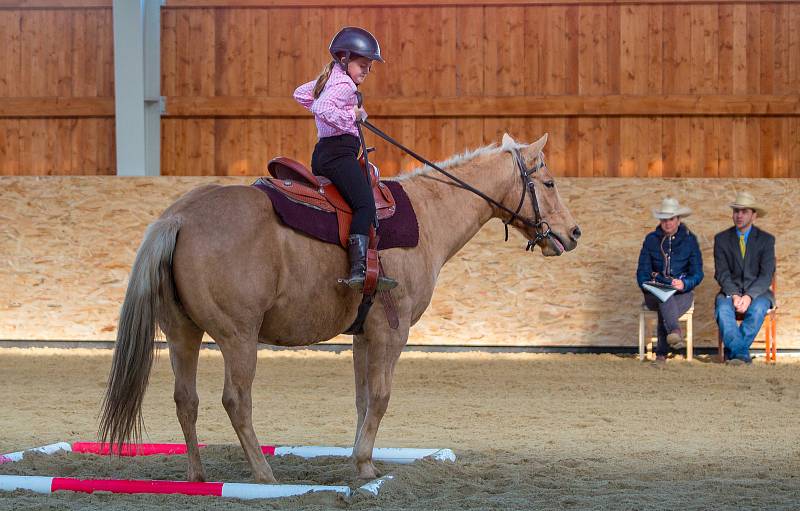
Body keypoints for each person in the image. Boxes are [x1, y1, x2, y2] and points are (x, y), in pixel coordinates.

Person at [293, 27, 396, 291]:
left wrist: (334, 108)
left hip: (325, 153)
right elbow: (323, 107)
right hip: (338, 154)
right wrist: (353, 115)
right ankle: (359, 270)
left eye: (369, 67)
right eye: (362, 65)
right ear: (344, 59)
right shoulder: (345, 85)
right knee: (364, 205)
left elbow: (302, 94)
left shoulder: (332, 79)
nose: (366, 71)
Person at [636, 197, 704, 363]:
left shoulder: (690, 240)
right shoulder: (651, 239)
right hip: (654, 293)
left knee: (665, 303)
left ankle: (661, 354)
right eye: (664, 220)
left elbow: (697, 273)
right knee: (663, 297)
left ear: (678, 220)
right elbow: (642, 274)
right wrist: (655, 284)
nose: (667, 223)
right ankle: (675, 331)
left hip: (682, 293)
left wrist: (685, 283)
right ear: (660, 220)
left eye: (671, 219)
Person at [714, 191, 775, 365]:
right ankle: (741, 354)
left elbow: (766, 275)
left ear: (754, 215)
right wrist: (734, 294)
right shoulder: (721, 239)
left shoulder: (766, 240)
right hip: (729, 291)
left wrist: (749, 296)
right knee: (723, 310)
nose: (739, 215)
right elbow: (722, 273)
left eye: (744, 211)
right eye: (736, 211)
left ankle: (734, 353)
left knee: (757, 310)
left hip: (759, 293)